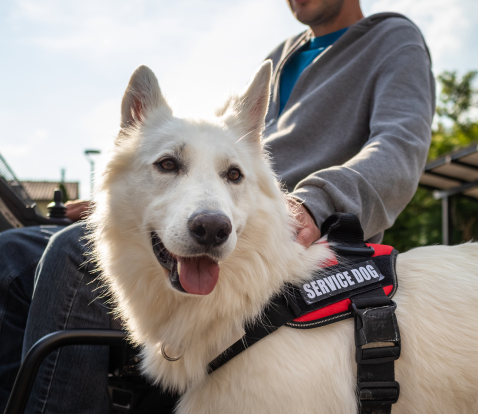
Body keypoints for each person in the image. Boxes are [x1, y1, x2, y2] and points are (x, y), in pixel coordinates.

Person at [0, 0, 434, 412]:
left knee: (72, 252)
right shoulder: (280, 57)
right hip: (233, 204)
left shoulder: (393, 39)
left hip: (302, 232)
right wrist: (125, 198)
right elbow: (205, 159)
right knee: (13, 255)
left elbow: (399, 149)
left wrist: (316, 203)